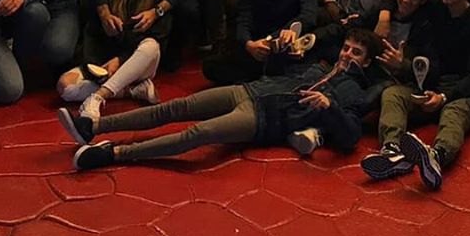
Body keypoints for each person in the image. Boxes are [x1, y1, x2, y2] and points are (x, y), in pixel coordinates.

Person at [61, 30, 383, 169]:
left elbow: (351, 136)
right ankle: (95, 126)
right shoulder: (320, 65)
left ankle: (114, 154)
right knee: (178, 106)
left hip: (262, 120)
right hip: (248, 90)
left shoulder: (353, 92)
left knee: (197, 134)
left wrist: (329, 107)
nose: (347, 55)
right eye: (346, 48)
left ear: (367, 62)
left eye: (356, 53)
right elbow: (276, 73)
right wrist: (280, 53)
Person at [360, 0, 470, 190]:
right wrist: (384, 15)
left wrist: (443, 97)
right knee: (392, 95)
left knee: (453, 113)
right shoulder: (434, 4)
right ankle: (392, 151)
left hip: (465, 89)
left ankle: (436, 157)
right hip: (431, 81)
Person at [56, 0, 170, 122]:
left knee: (151, 45)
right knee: (65, 87)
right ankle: (130, 90)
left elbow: (158, 38)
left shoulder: (162, 1)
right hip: (105, 62)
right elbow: (93, 33)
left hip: (140, 63)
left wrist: (120, 60)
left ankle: (98, 97)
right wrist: (95, 65)